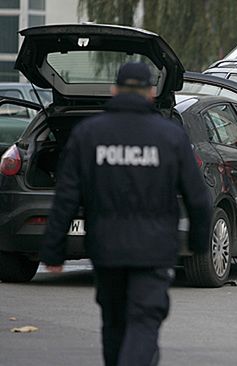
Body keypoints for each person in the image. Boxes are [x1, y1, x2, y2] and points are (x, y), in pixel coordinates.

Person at [39, 62, 212, 366]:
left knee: (115, 323)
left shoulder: (89, 134)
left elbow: (66, 196)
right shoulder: (170, 136)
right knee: (144, 322)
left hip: (107, 251)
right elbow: (199, 198)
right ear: (149, 93)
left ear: (115, 91)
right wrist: (199, 245)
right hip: (154, 251)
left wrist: (54, 250)